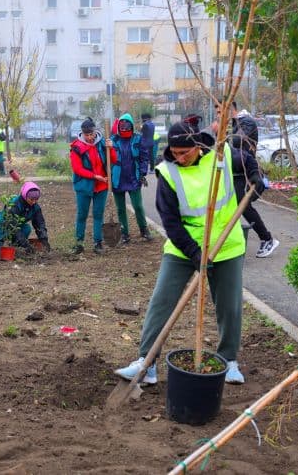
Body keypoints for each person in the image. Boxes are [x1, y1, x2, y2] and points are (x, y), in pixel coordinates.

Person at [114, 122, 247, 386]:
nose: (180, 158)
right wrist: (195, 254)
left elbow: (247, 160)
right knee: (162, 301)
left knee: (229, 306)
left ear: (198, 146)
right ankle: (147, 363)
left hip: (226, 245)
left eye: (185, 152)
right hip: (183, 248)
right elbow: (171, 223)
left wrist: (254, 175)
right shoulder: (168, 173)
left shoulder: (221, 156)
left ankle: (228, 359)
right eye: (175, 153)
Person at [212, 102, 278, 257]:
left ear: (230, 109)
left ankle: (267, 239)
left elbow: (237, 142)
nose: (219, 116)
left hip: (245, 171)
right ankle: (228, 241)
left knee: (243, 205)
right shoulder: (234, 123)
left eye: (221, 112)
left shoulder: (246, 122)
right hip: (234, 170)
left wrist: (221, 131)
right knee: (234, 205)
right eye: (217, 113)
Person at [69, 117, 116, 254]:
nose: (90, 137)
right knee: (82, 215)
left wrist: (111, 148)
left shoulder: (102, 143)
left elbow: (113, 159)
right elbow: (77, 169)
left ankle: (98, 243)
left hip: (101, 186)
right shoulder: (76, 147)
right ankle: (79, 244)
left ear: (95, 132)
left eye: (91, 134)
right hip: (84, 186)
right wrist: (95, 176)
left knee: (98, 215)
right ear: (82, 133)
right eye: (87, 135)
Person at [111, 113, 153, 244]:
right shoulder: (113, 140)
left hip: (134, 178)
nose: (124, 128)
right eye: (122, 125)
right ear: (118, 126)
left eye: (127, 125)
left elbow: (144, 157)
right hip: (117, 179)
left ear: (132, 126)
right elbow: (105, 158)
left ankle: (144, 229)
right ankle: (124, 234)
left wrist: (142, 173)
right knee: (120, 209)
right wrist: (106, 145)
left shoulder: (138, 139)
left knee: (138, 206)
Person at [0, 181, 51, 255]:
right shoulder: (14, 204)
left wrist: (44, 239)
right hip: (1, 227)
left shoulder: (35, 208)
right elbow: (12, 225)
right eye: (31, 199)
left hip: (17, 227)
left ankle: (15, 246)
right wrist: (25, 243)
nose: (34, 202)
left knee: (26, 228)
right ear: (25, 196)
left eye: (36, 199)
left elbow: (40, 224)